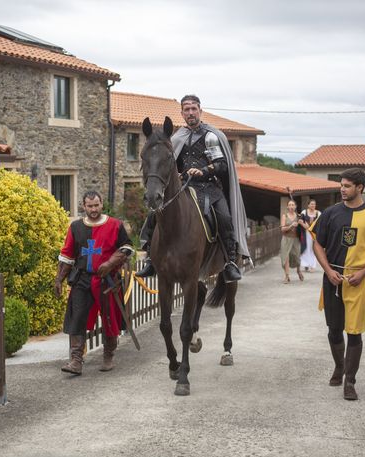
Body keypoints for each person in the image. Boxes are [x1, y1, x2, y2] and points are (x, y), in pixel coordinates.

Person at [135, 94, 250, 283]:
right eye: (186, 109)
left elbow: (221, 165)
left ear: (200, 111)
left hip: (209, 188)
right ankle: (150, 258)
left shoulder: (211, 136)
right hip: (183, 188)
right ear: (182, 113)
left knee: (224, 217)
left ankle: (230, 262)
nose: (190, 113)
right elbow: (170, 164)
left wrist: (203, 170)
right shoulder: (176, 137)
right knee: (154, 213)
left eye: (193, 109)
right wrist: (178, 175)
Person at [310, 168, 365, 401]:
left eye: (347, 186)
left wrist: (364, 272)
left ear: (360, 188)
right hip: (333, 279)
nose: (342, 189)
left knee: (354, 332)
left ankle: (350, 381)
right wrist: (328, 271)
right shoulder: (329, 213)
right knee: (334, 330)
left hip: (360, 281)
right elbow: (318, 244)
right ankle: (339, 366)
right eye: (341, 185)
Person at [54, 191, 134, 375]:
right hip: (82, 279)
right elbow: (67, 255)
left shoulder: (115, 225)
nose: (94, 209)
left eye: (96, 205)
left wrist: (110, 263)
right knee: (77, 317)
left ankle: (108, 355)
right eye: (90, 206)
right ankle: (75, 360)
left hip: (107, 281)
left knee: (108, 318)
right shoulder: (75, 227)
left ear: (101, 204)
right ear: (83, 206)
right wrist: (59, 279)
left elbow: (127, 247)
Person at [280, 199, 304, 283]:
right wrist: (291, 226)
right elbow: (282, 229)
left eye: (293, 205)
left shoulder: (299, 216)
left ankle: (298, 270)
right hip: (286, 239)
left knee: (297, 257)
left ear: (295, 206)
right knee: (285, 257)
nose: (291, 207)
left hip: (296, 239)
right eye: (289, 205)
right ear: (287, 207)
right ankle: (287, 276)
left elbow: (306, 227)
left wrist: (301, 223)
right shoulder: (284, 216)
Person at [299, 199, 321, 272]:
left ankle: (312, 265)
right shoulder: (304, 212)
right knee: (306, 248)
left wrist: (313, 227)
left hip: (314, 233)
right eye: (311, 204)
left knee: (313, 249)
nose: (313, 205)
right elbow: (300, 221)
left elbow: (321, 223)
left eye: (314, 204)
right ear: (308, 205)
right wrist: (304, 225)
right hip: (306, 233)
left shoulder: (318, 213)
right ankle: (306, 264)